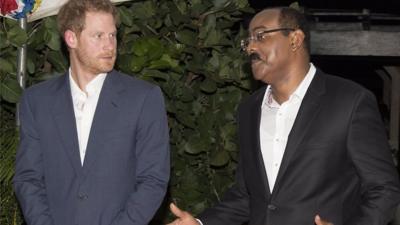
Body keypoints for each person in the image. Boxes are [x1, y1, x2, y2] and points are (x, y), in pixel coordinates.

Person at [168, 6, 400, 225]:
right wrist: (201, 222)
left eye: (260, 36)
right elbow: (247, 196)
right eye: (248, 40)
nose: (250, 48)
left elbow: (384, 189)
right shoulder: (249, 110)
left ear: (295, 40)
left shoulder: (350, 101)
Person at [13, 0, 170, 225]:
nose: (110, 46)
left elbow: (153, 180)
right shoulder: (37, 101)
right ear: (71, 38)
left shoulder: (143, 98)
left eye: (113, 35)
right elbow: (28, 178)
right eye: (98, 36)